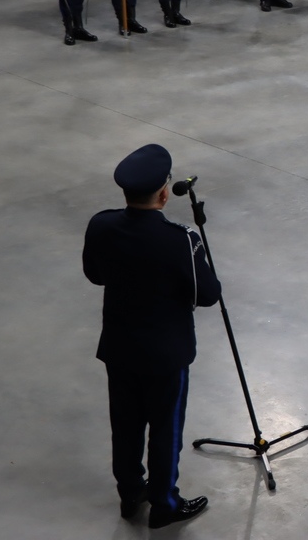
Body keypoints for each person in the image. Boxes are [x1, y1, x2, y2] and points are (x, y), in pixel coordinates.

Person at [83, 143, 220, 529]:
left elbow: (96, 274)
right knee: (164, 430)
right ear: (164, 193)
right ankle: (164, 503)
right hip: (166, 355)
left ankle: (130, 494)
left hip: (120, 348)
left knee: (124, 425)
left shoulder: (101, 224)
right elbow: (207, 295)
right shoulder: (181, 239)